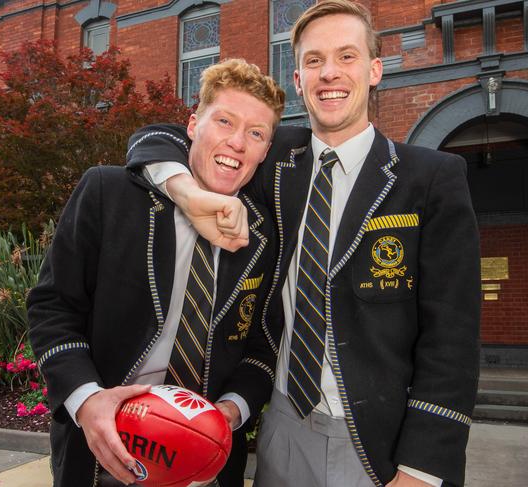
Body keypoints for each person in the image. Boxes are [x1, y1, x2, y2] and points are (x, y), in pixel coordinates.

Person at [124, 1, 481, 486]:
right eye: (314, 60)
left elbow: (452, 337)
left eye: (347, 56)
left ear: (375, 70)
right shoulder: (274, 161)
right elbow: (161, 138)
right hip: (283, 430)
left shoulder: (431, 178)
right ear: (297, 79)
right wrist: (185, 191)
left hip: (382, 442)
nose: (329, 73)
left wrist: (423, 467)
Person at [27, 58, 286, 487]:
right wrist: (87, 402)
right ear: (192, 125)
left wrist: (229, 413)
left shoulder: (262, 236)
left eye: (256, 134)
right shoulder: (107, 193)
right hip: (102, 449)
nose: (238, 142)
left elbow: (263, 346)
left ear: (264, 150)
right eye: (224, 121)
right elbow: (53, 309)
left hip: (207, 464)